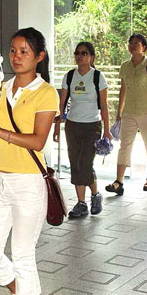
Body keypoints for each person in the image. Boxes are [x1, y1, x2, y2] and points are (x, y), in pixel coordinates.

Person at [0, 27, 59, 295]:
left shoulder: (46, 93)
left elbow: (37, 141)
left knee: (23, 254)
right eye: (13, 50)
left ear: (39, 56)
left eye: (24, 51)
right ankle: (20, 290)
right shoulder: (1, 89)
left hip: (27, 184)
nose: (16, 56)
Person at [53, 42, 110, 217]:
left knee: (85, 163)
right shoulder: (69, 76)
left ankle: (95, 194)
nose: (80, 56)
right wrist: (57, 126)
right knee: (75, 164)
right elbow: (61, 104)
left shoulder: (98, 77)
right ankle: (81, 203)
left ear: (91, 57)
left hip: (92, 125)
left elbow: (104, 105)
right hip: (73, 125)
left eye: (84, 53)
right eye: (77, 53)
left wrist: (107, 130)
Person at [107, 33, 147, 195]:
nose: (132, 45)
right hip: (128, 112)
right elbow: (123, 89)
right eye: (130, 43)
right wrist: (119, 112)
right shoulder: (125, 66)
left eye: (136, 43)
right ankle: (119, 181)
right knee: (124, 146)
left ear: (144, 47)